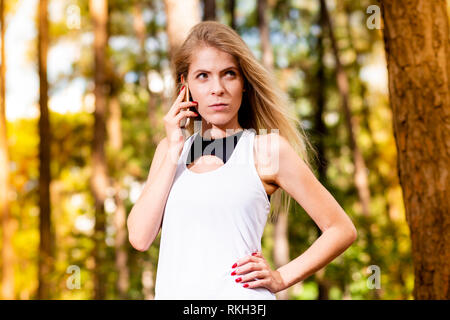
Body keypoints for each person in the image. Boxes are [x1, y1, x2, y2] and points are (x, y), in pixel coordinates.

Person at [127, 21, 357, 300]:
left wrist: (282, 277)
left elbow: (341, 229)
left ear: (244, 83)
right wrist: (175, 146)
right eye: (203, 76)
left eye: (229, 74)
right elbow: (139, 237)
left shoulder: (267, 149)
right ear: (184, 87)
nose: (217, 88)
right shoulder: (168, 151)